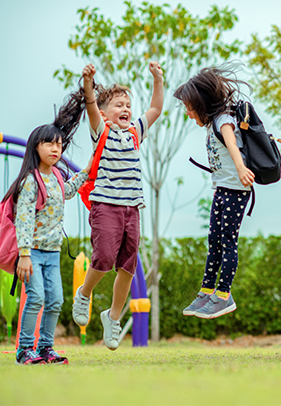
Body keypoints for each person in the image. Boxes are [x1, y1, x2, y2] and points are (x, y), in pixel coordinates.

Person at [72, 62, 164, 350]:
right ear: (104, 112)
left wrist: (158, 80)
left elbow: (156, 109)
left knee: (127, 266)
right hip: (106, 206)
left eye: (128, 104)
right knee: (102, 258)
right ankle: (84, 293)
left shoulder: (136, 131)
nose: (125, 109)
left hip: (132, 208)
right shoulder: (102, 130)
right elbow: (89, 104)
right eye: (118, 105)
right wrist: (88, 82)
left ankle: (112, 317)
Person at [8, 90, 92, 365]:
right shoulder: (30, 180)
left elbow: (66, 192)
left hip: (53, 252)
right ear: (36, 147)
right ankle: (24, 350)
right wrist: (23, 254)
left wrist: (86, 171)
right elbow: (23, 218)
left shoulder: (55, 175)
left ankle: (45, 349)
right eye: (49, 144)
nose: (56, 149)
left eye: (59, 145)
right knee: (35, 299)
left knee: (55, 300)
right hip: (32, 252)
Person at [174, 65, 255, 319]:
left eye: (189, 108)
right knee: (215, 242)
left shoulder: (223, 119)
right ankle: (207, 291)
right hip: (222, 189)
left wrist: (241, 168)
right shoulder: (211, 124)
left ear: (202, 103)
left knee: (228, 241)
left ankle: (224, 295)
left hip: (235, 190)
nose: (188, 113)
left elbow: (231, 141)